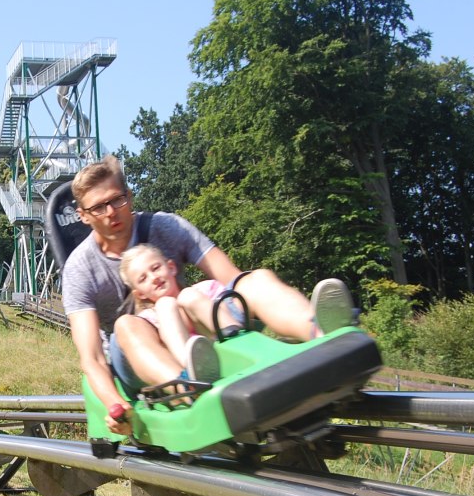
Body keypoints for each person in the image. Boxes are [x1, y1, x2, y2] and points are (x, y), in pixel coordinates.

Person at [60, 155, 353, 435]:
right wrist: (115, 405)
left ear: (129, 195)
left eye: (117, 200)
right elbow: (93, 357)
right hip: (141, 354)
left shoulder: (165, 226)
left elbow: (231, 278)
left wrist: (243, 294)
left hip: (199, 332)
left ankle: (320, 332)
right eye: (99, 207)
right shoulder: (80, 269)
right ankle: (187, 387)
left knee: (255, 279)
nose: (111, 212)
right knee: (126, 326)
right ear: (83, 215)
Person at [118, 243, 234, 385]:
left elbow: (230, 307)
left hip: (226, 347)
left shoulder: (205, 289)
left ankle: (237, 338)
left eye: (156, 268)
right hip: (193, 366)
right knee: (166, 305)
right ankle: (191, 368)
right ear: (140, 293)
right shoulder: (148, 320)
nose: (153, 277)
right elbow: (153, 352)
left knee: (188, 295)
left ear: (171, 267)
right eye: (143, 279)